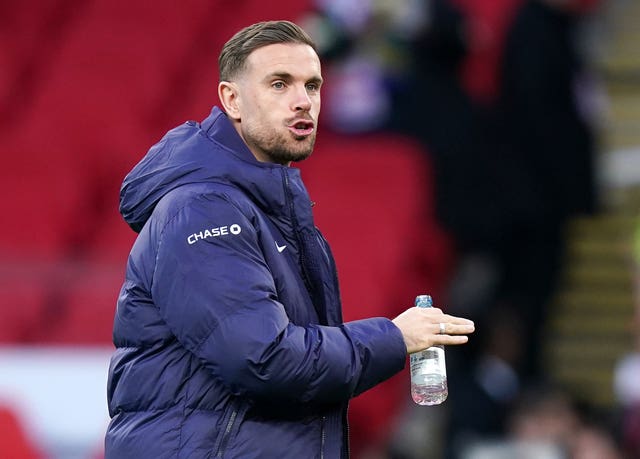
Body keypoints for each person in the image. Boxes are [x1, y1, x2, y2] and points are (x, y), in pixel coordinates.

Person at [104, 20, 475, 458]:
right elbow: (263, 360)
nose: (303, 102)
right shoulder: (202, 209)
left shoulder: (264, 210)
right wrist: (394, 338)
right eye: (280, 84)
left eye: (313, 86)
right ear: (231, 99)